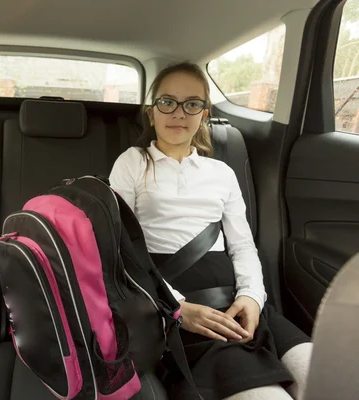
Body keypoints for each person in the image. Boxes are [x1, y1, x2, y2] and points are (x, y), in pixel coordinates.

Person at [109, 62, 312, 400]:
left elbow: (243, 246)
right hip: (177, 307)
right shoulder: (132, 163)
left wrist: (251, 296)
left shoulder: (221, 172)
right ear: (151, 112)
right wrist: (174, 308)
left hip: (236, 300)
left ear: (204, 113)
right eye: (167, 102)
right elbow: (118, 250)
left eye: (191, 103)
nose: (179, 112)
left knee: (327, 372)